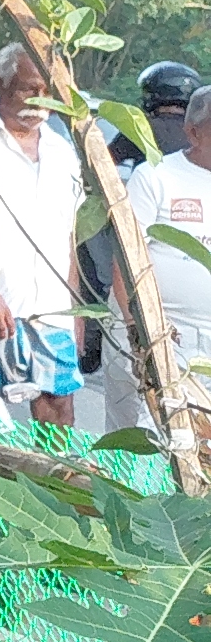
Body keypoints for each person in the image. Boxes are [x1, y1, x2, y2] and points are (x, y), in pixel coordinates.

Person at [0, 42, 92, 428]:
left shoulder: (63, 152)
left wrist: (77, 314)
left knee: (58, 415)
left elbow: (68, 240)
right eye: (28, 88)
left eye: (48, 91)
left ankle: (53, 490)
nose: (40, 100)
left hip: (53, 313)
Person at [108, 89, 211, 431]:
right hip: (164, 333)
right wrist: (140, 331)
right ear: (193, 132)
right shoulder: (156, 178)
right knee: (148, 435)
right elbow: (126, 260)